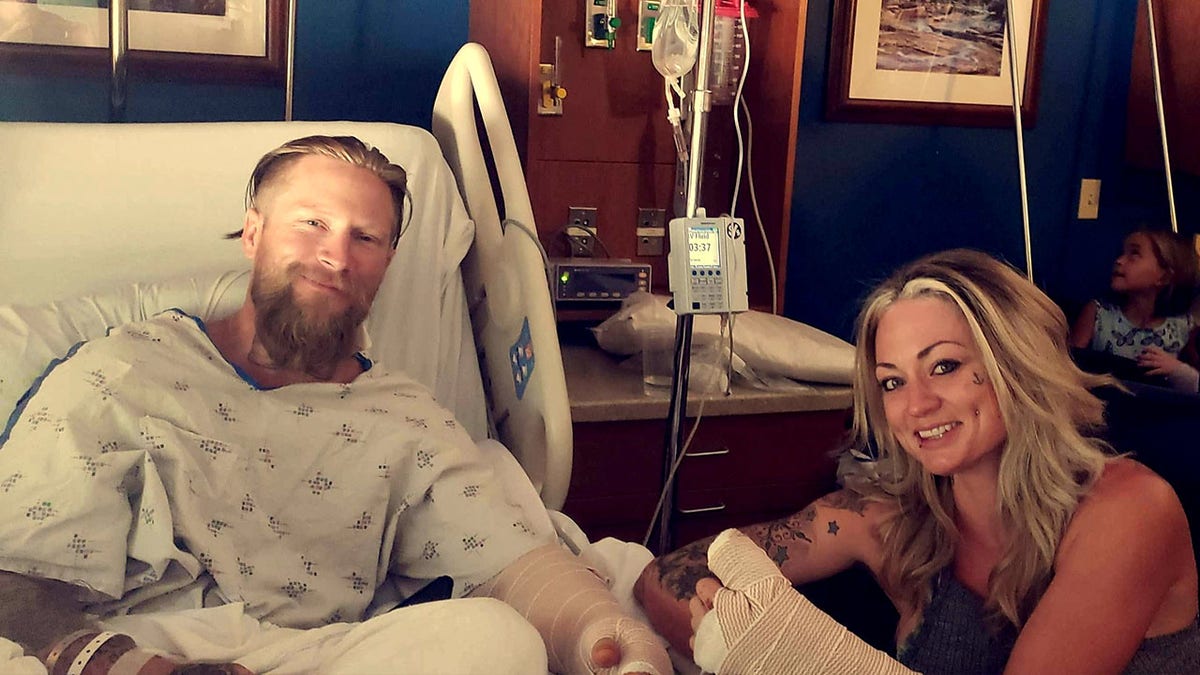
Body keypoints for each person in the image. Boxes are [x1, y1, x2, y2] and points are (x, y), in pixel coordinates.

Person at [0, 136, 671, 675]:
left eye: (365, 237)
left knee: (499, 640)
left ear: (388, 261)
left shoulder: (404, 417)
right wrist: (122, 663)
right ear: (253, 233)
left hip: (319, 655)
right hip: (140, 643)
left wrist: (604, 633)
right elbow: (15, 572)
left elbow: (508, 561)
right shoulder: (125, 371)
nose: (335, 255)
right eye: (312, 223)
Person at [635, 249, 1200, 674]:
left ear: (1017, 366)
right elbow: (662, 577)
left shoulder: (1127, 512)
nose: (916, 405)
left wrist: (790, 654)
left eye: (945, 366)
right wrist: (737, 641)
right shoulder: (888, 521)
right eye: (892, 382)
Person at [1070, 227, 1200, 393]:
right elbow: (1068, 367)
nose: (1119, 260)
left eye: (1134, 254)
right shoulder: (1097, 314)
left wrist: (1177, 370)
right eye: (1121, 253)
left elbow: (1195, 391)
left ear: (1164, 277)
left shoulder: (1185, 328)